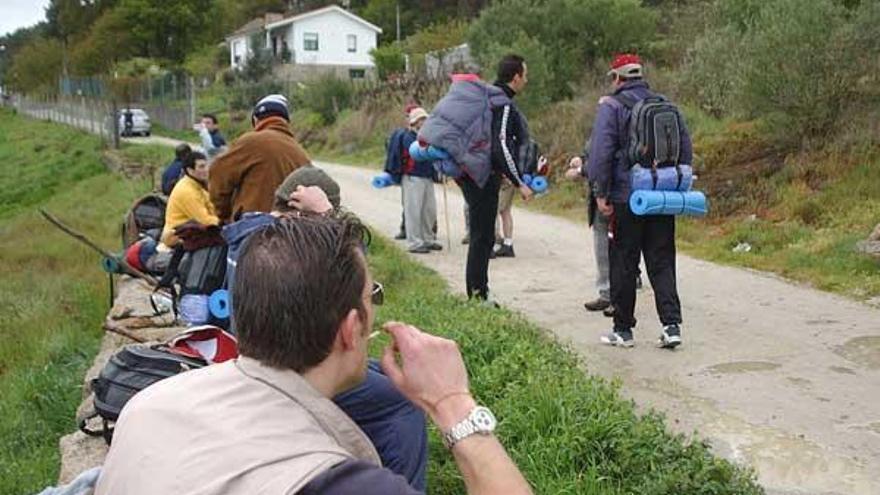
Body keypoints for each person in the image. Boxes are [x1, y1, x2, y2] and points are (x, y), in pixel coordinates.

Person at [95, 214, 533, 495]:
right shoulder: (330, 483)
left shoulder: (150, 404)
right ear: (352, 329)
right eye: (371, 295)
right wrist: (453, 403)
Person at [585, 54, 692, 349]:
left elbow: (600, 153)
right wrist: (674, 187)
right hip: (660, 195)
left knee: (623, 262)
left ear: (617, 78)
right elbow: (685, 147)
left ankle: (623, 330)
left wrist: (600, 193)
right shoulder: (665, 104)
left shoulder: (612, 106)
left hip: (626, 197)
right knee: (662, 260)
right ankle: (671, 326)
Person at [459, 55, 534, 302]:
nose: (527, 79)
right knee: (483, 236)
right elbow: (499, 146)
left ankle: (478, 293)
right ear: (516, 77)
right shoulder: (502, 103)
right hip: (480, 175)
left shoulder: (487, 97)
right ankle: (478, 296)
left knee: (481, 234)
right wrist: (518, 181)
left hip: (467, 171)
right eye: (525, 74)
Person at [209, 94, 311, 223]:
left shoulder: (252, 142)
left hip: (253, 230)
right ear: (286, 121)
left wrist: (224, 214)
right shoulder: (301, 153)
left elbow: (218, 174)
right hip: (290, 232)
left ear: (256, 120)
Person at [400, 107, 441, 254]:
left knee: (429, 210)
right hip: (412, 177)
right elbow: (418, 154)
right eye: (421, 119)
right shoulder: (408, 137)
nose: (424, 122)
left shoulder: (427, 137)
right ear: (414, 122)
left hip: (426, 177)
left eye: (425, 119)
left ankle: (428, 239)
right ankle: (415, 242)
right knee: (414, 211)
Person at [160, 151, 219, 247]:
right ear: (190, 170)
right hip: (177, 235)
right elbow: (204, 220)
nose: (206, 170)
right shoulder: (187, 191)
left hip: (192, 231)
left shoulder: (197, 185)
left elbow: (212, 208)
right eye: (201, 167)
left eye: (206, 166)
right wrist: (227, 224)